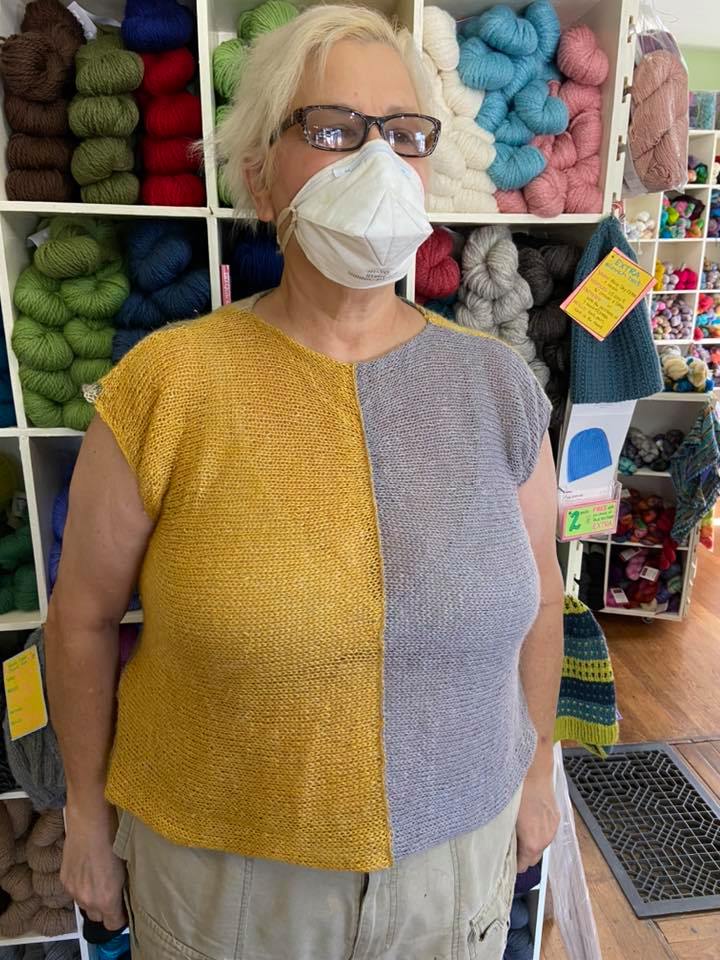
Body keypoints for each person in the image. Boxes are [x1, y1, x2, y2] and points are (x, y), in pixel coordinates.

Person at [46, 5, 564, 958]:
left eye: (404, 134)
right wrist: (84, 813)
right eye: (332, 130)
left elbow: (541, 600)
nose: (377, 162)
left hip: (454, 866)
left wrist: (539, 772)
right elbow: (79, 619)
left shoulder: (498, 386)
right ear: (259, 176)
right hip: (225, 880)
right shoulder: (167, 383)